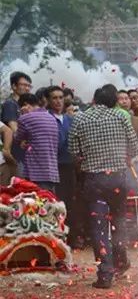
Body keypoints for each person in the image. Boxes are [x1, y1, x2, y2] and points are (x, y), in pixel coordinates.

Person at [69, 82, 138, 288]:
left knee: (98, 228)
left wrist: (87, 159)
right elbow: (133, 147)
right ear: (113, 101)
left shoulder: (80, 118)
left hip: (95, 180)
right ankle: (120, 262)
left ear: (94, 100)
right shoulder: (120, 116)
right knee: (118, 221)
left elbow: (73, 150)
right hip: (118, 178)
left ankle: (105, 274)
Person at [12, 93, 60, 194]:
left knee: (37, 204)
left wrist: (22, 115)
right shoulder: (51, 118)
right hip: (52, 171)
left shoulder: (25, 118)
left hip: (36, 172)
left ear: (26, 105)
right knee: (50, 203)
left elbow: (17, 137)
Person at [46, 86, 78, 238]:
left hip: (69, 165)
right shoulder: (46, 119)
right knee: (54, 202)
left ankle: (70, 236)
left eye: (61, 97)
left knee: (70, 201)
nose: (58, 101)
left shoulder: (70, 119)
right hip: (52, 166)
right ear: (48, 100)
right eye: (54, 98)